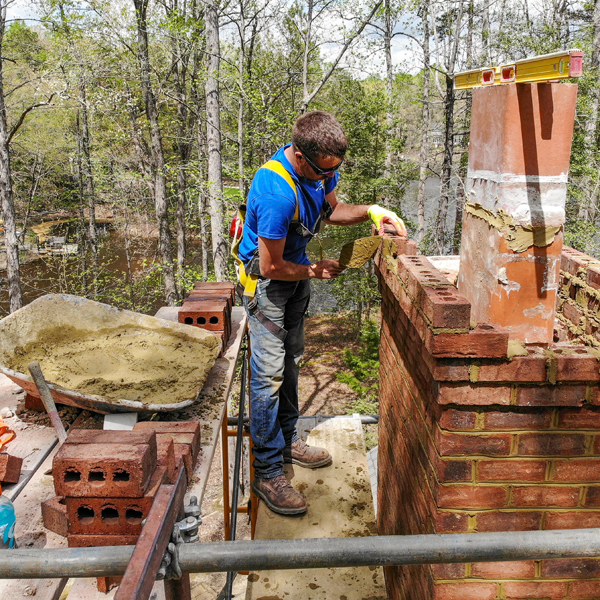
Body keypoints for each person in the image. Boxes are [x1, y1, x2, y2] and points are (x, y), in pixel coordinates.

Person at [239, 110, 406, 516]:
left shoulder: (321, 166)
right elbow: (270, 266)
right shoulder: (276, 191)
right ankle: (266, 473)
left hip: (295, 279)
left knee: (291, 366)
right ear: (298, 155)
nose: (324, 180)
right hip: (268, 285)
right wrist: (314, 268)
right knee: (268, 379)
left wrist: (372, 211)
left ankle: (289, 441)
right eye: (318, 174)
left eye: (331, 172)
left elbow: (332, 211)